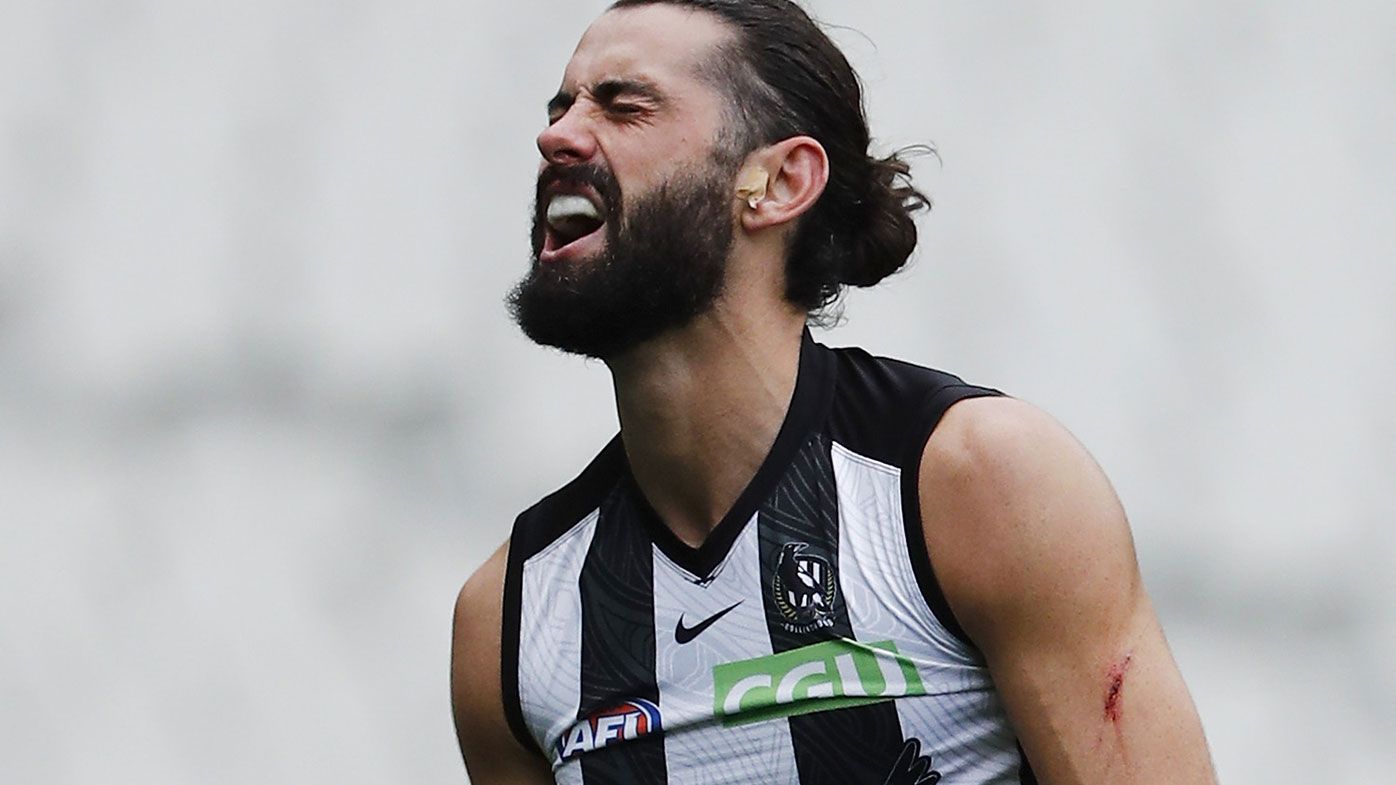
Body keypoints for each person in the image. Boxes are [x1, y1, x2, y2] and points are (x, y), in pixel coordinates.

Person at [451, 1, 1218, 783]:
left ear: (781, 182)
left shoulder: (980, 481)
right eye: (562, 106)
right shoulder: (508, 619)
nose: (558, 134)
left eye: (624, 106)